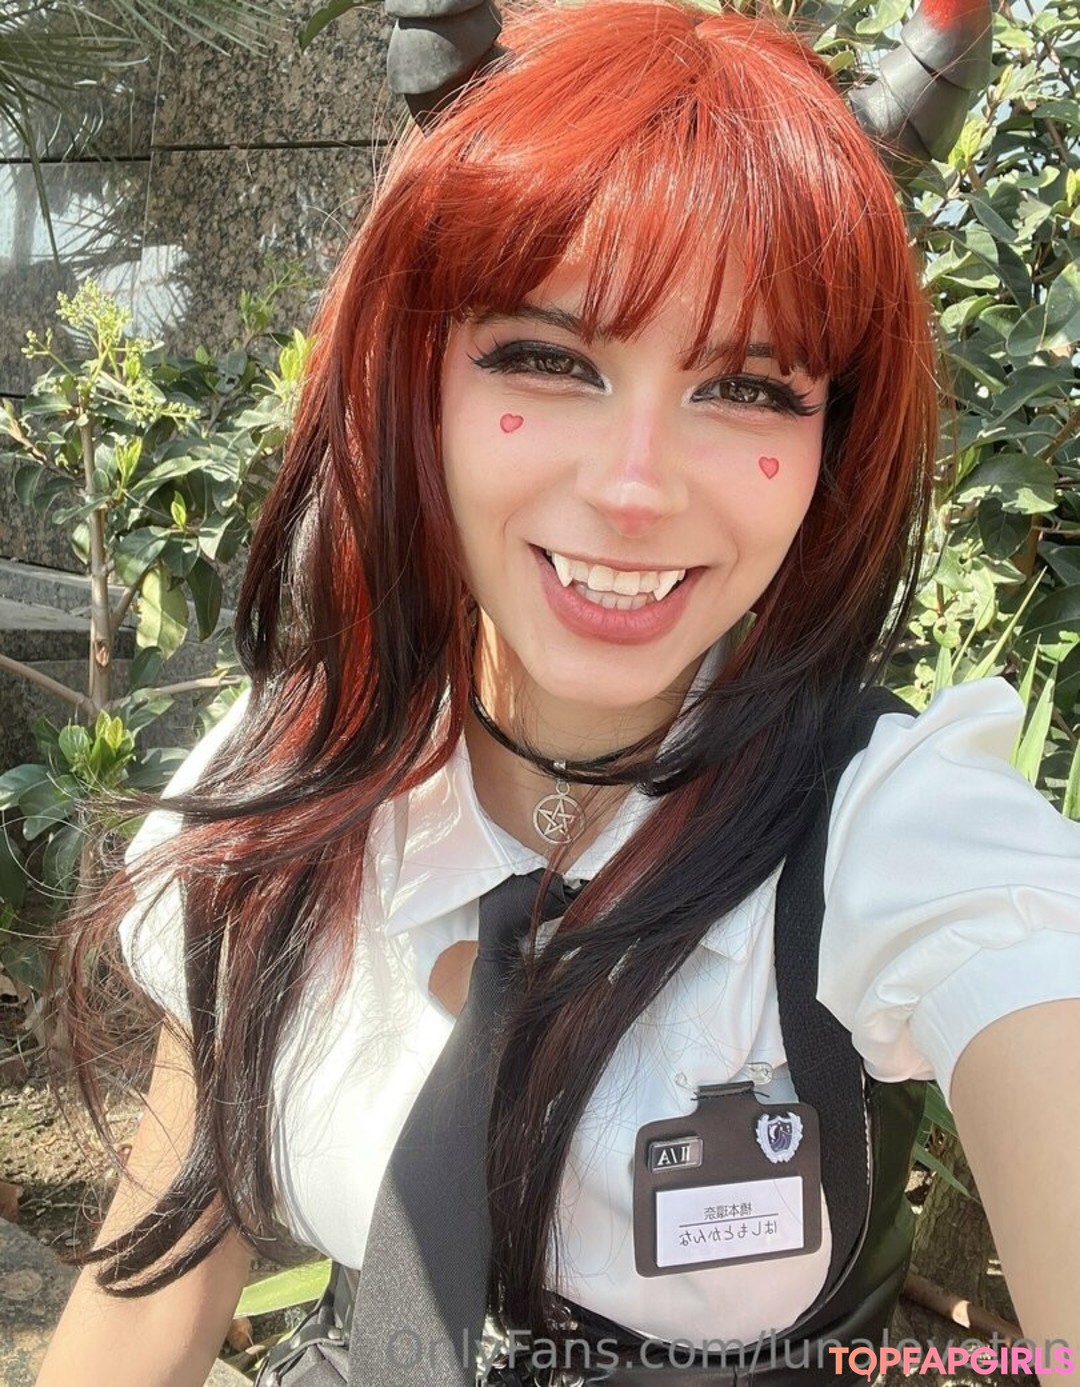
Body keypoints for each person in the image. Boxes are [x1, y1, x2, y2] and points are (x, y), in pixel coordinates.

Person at [36, 1, 1080, 1384]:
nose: (635, 487)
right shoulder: (298, 774)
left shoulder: (900, 836)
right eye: (547, 358)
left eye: (750, 388)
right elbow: (152, 1284)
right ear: (416, 380)